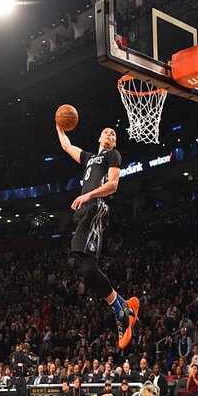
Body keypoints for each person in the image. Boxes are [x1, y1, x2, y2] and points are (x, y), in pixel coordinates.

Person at [56, 124, 139, 349]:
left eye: (114, 134)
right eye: (106, 132)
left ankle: (120, 313)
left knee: (91, 270)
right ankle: (126, 307)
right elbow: (66, 145)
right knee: (87, 272)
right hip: (84, 211)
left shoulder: (113, 155)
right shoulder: (89, 158)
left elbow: (113, 185)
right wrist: (57, 123)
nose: (110, 134)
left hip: (96, 208)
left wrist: (88, 195)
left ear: (115, 142)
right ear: (99, 137)